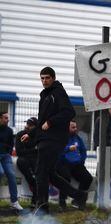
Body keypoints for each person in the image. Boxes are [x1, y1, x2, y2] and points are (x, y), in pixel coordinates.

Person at [21, 67, 87, 214]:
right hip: (45, 138)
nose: (44, 81)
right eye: (42, 78)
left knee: (40, 172)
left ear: (53, 78)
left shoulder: (58, 92)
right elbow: (41, 121)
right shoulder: (45, 95)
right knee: (49, 174)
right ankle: (79, 196)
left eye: (47, 78)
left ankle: (42, 206)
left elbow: (69, 112)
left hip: (53, 139)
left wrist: (50, 122)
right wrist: (31, 134)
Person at [57, 120, 93, 211]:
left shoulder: (77, 138)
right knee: (65, 178)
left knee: (87, 178)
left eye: (76, 127)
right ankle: (62, 202)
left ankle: (78, 200)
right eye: (73, 127)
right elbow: (58, 150)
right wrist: (68, 148)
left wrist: (82, 160)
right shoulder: (61, 137)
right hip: (63, 163)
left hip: (77, 164)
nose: (75, 129)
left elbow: (83, 150)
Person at [93, 107, 111, 198]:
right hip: (102, 150)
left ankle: (107, 197)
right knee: (100, 174)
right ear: (108, 110)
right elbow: (96, 135)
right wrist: (98, 148)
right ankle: (97, 197)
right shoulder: (100, 120)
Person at [0, 112, 23, 211]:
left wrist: (8, 152)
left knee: (12, 176)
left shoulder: (9, 131)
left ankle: (14, 202)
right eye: (5, 118)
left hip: (6, 156)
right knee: (0, 172)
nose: (8, 120)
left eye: (8, 118)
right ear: (0, 119)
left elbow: (11, 144)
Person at [15, 117, 38, 207]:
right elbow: (19, 151)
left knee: (38, 178)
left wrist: (31, 150)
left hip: (35, 160)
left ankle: (35, 201)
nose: (28, 126)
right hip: (23, 160)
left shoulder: (38, 136)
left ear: (35, 127)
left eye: (31, 125)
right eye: (27, 124)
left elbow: (39, 150)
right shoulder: (20, 134)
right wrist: (33, 150)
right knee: (32, 178)